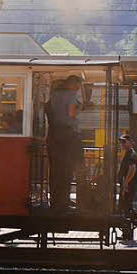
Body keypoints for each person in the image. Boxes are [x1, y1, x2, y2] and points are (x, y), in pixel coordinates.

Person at [45, 75, 84, 212]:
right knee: (69, 169)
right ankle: (67, 201)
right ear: (73, 84)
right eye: (78, 85)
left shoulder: (53, 95)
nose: (78, 88)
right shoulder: (71, 96)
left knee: (55, 171)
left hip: (53, 136)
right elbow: (71, 114)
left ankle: (56, 201)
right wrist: (81, 108)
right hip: (67, 135)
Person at [117, 134, 137, 240]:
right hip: (128, 185)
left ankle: (129, 232)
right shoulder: (128, 153)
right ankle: (128, 232)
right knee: (126, 207)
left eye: (124, 142)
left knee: (126, 207)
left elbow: (132, 169)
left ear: (130, 142)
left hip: (130, 185)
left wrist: (125, 183)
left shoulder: (131, 153)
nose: (122, 144)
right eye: (121, 142)